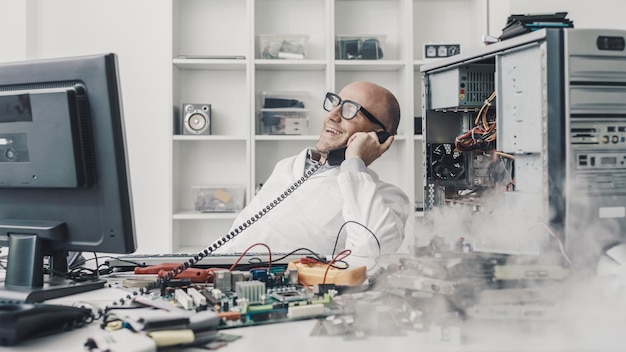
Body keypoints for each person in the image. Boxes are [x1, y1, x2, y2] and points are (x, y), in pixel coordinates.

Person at [215, 81, 411, 270]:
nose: (332, 116)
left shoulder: (388, 198)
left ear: (378, 136)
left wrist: (354, 162)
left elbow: (370, 254)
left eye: (350, 110)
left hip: (276, 291)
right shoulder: (289, 165)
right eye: (335, 103)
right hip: (214, 271)